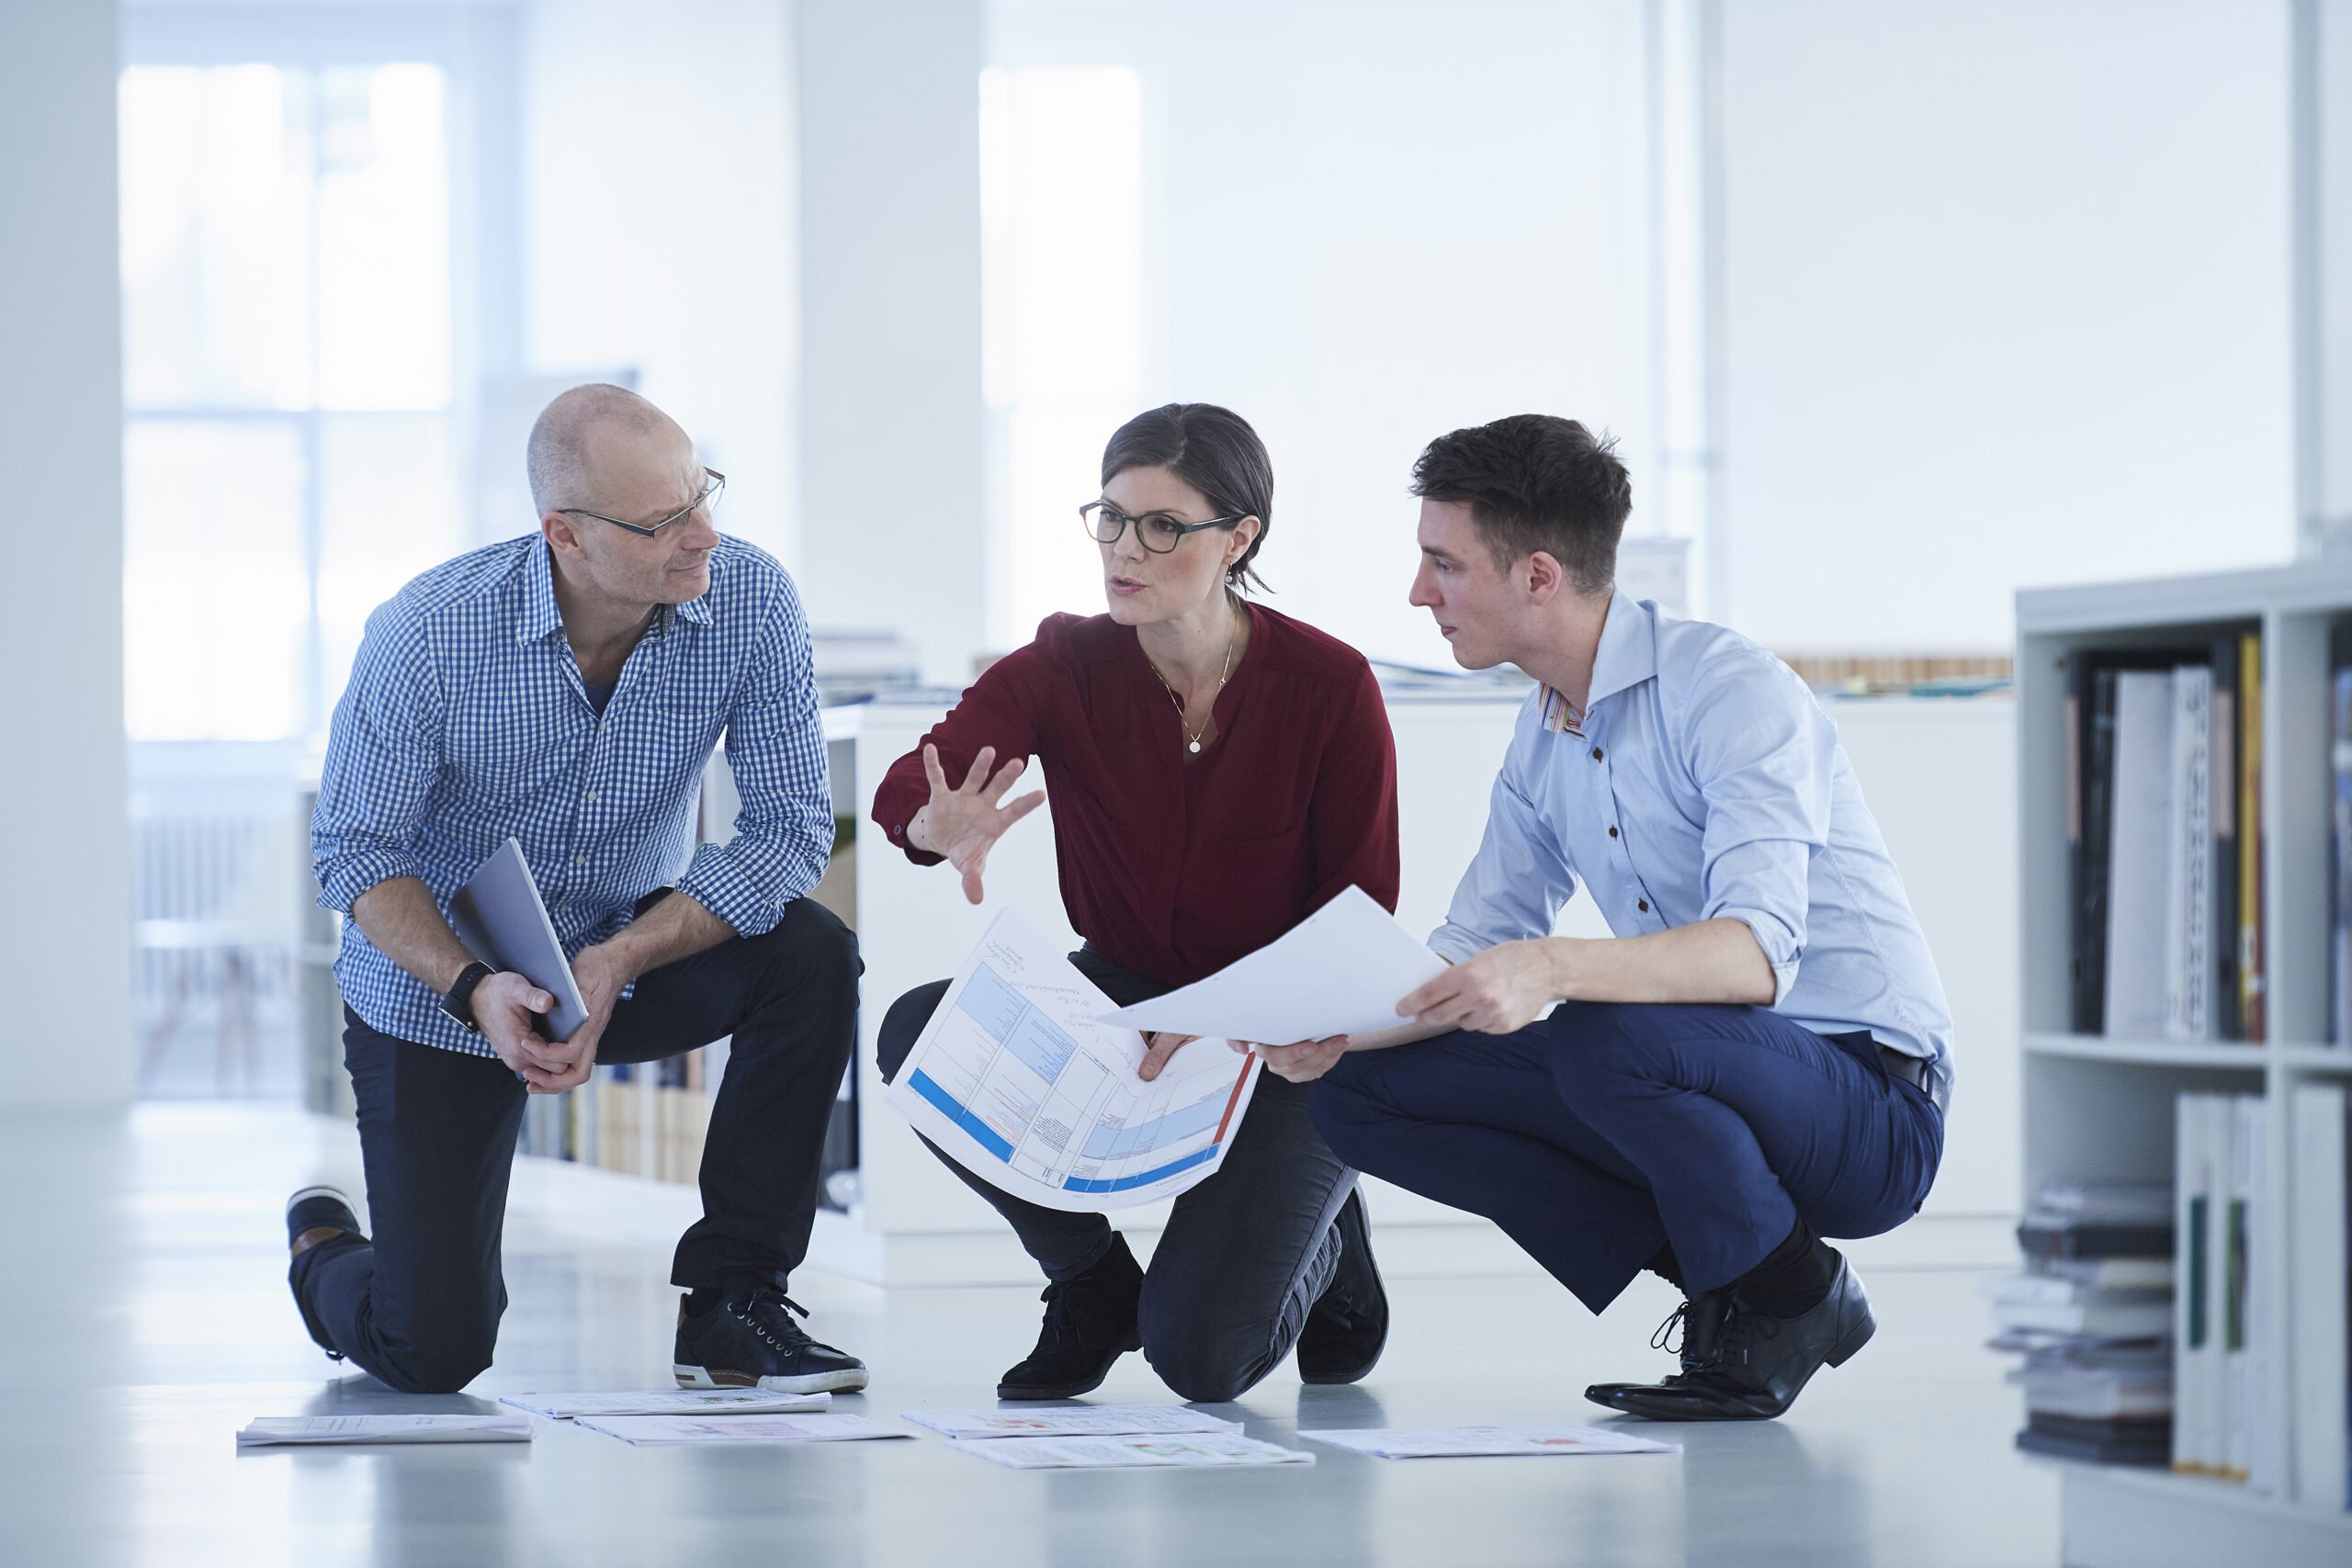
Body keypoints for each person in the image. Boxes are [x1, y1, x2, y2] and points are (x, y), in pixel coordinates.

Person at [1284, 413, 1951, 1421]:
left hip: (1864, 1100)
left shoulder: (1730, 691)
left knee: (1606, 1030)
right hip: (1698, 1077)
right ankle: (1742, 1279)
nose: (1419, 594)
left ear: (1538, 575)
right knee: (1359, 1094)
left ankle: (1791, 1296)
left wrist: (1551, 968)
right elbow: (1474, 943)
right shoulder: (1542, 730)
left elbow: (1754, 960)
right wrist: (1337, 1030)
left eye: (1444, 566)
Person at [287, 383, 868, 1396]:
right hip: (444, 996)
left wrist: (618, 959)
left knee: (809, 951)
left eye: (703, 496)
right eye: (662, 522)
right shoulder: (429, 632)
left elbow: (789, 831)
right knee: (435, 1352)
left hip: (623, 955)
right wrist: (475, 985)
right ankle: (323, 1250)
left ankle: (734, 1302)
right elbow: (355, 852)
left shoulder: (752, 600)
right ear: (566, 535)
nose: (703, 539)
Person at [869, 402, 1397, 1404]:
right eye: (1109, 517)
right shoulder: (1067, 660)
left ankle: (1330, 1246)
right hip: (1118, 994)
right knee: (919, 1029)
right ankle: (1091, 1285)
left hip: (1283, 1027)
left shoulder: (1329, 686)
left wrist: (1230, 1026)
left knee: (1202, 1363)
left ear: (1238, 538)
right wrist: (931, 828)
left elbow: (1357, 922)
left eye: (1162, 526)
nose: (1124, 549)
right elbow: (916, 784)